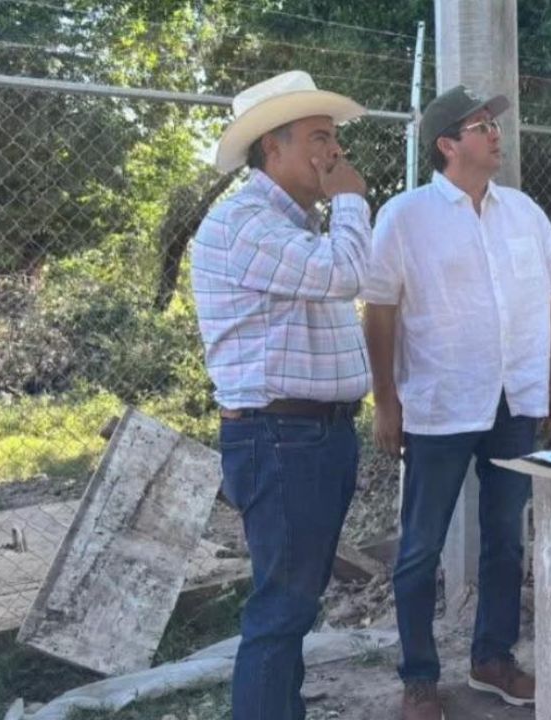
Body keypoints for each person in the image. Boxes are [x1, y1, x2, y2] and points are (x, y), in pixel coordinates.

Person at [361, 85, 551, 720]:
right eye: (481, 126)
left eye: (494, 126)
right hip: (440, 404)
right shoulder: (406, 215)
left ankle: (493, 660)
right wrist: (386, 403)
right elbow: (379, 312)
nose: (495, 134)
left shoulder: (526, 213)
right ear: (448, 144)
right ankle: (420, 678)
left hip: (515, 401)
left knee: (507, 538)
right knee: (421, 544)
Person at [190, 70, 373, 720]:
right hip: (283, 441)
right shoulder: (246, 222)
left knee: (292, 609)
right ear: (274, 146)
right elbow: (347, 272)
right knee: (280, 613)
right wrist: (351, 199)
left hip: (310, 438)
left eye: (334, 140)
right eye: (320, 138)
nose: (335, 154)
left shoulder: (290, 227)